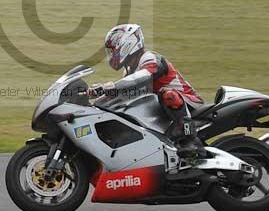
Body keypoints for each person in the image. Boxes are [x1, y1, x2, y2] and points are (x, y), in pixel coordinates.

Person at [88, 24, 207, 159]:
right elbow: (125, 94)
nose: (112, 55)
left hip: (189, 102)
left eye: (114, 50)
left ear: (128, 44)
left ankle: (191, 141)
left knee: (167, 94)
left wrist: (111, 87)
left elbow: (143, 77)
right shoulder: (129, 71)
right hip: (165, 110)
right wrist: (94, 98)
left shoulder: (149, 58)